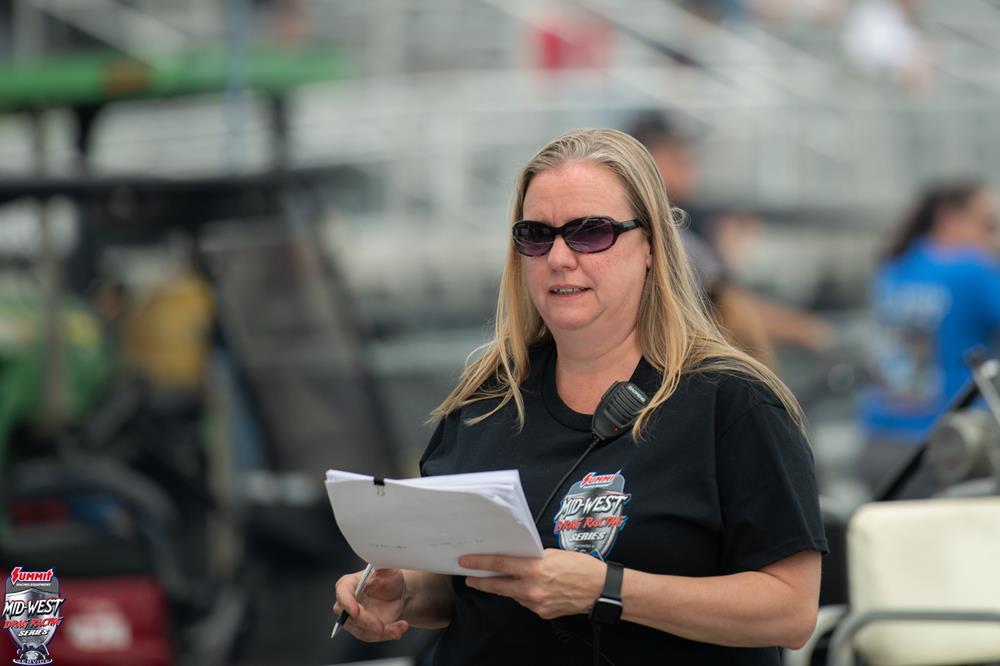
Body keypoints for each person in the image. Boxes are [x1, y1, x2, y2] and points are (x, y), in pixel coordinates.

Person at [333, 129, 827, 664]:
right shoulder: (485, 401)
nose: (559, 257)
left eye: (590, 233)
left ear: (651, 246)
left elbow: (790, 609)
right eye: (536, 235)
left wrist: (607, 590)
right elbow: (466, 586)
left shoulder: (733, 402)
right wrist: (403, 594)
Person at [627, 112, 832, 363]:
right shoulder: (675, 237)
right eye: (677, 159)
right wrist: (805, 330)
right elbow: (729, 310)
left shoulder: (679, 228)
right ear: (650, 162)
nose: (691, 168)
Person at [858, 181, 1000, 496]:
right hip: (947, 451)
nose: (994, 239)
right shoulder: (971, 270)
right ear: (949, 219)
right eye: (987, 225)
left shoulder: (895, 264)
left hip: (878, 441)